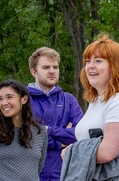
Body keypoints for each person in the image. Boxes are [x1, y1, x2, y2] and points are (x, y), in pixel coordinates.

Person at [69, 34, 119, 180]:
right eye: (88, 61)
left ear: (115, 66)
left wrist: (72, 152)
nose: (90, 66)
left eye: (98, 61)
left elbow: (106, 153)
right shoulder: (96, 100)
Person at [27, 47, 84, 181]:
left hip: (63, 172)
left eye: (55, 67)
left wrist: (46, 131)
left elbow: (80, 133)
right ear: (34, 71)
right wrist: (61, 141)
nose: (52, 71)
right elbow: (25, 138)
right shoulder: (22, 99)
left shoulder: (68, 100)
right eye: (46, 67)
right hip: (32, 173)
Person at [0, 79, 48, 180]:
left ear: (24, 99)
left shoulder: (40, 132)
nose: (4, 103)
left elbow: (38, 168)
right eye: (0, 99)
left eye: (9, 97)